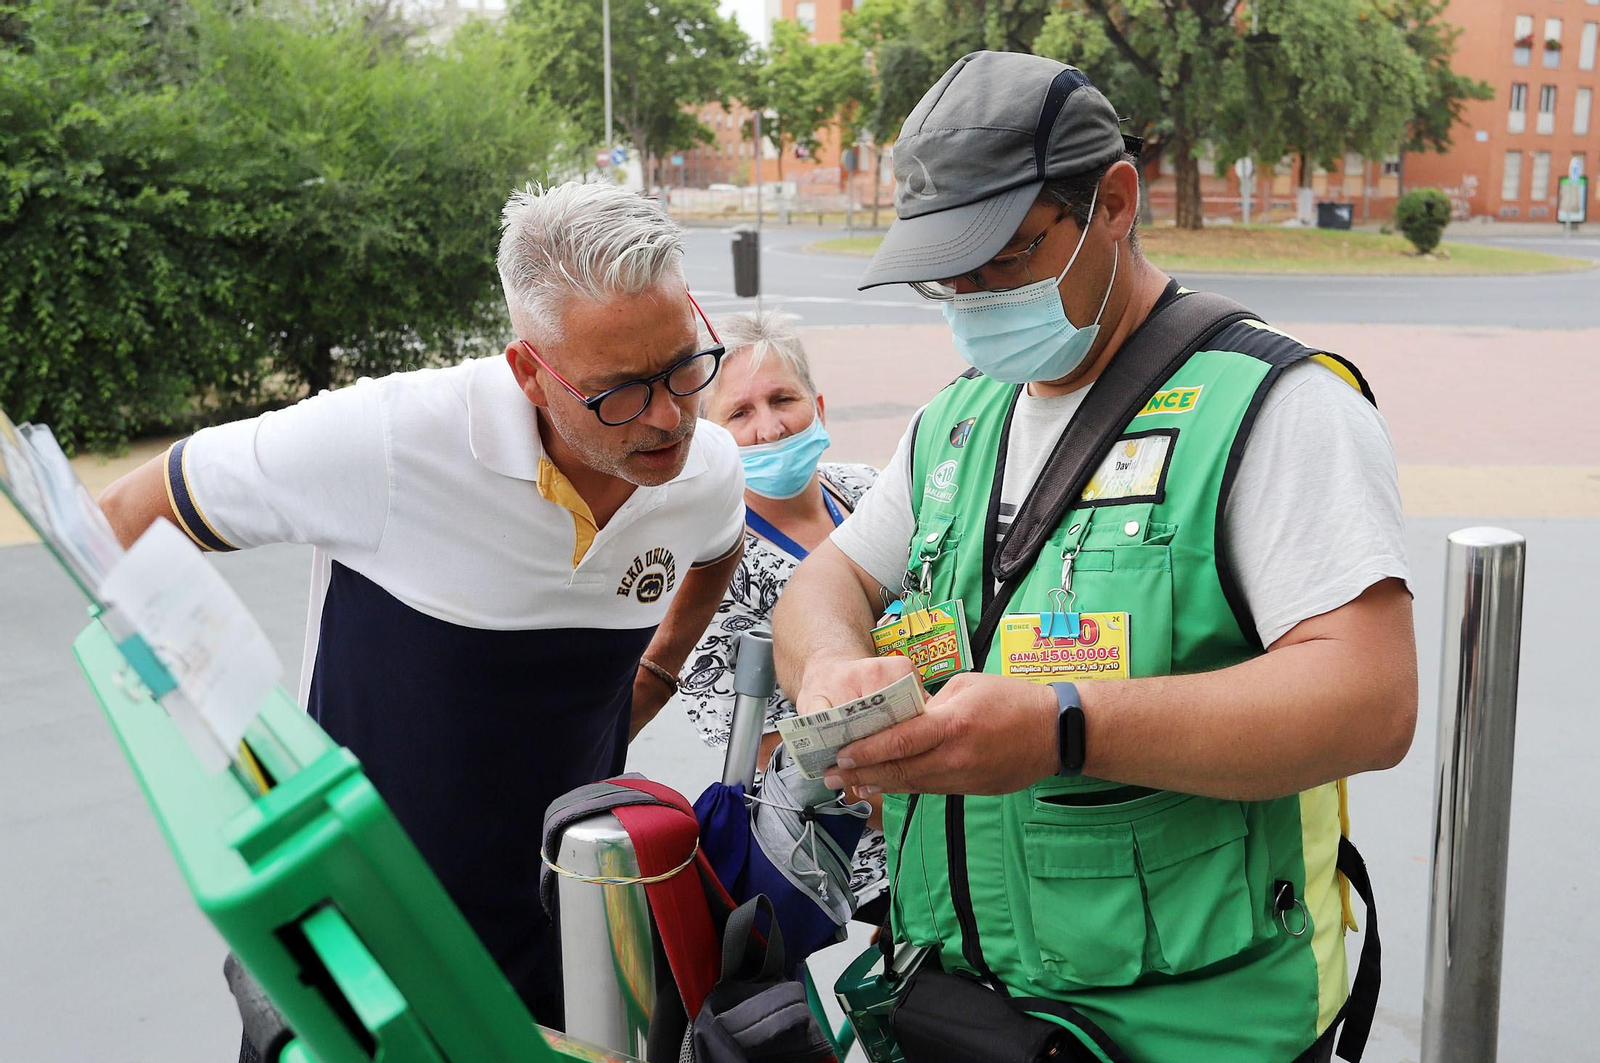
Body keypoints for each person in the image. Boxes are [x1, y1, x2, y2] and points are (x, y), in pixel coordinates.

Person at [771, 51, 1416, 1063]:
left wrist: (1064, 727)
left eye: (1007, 257)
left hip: (1190, 1032)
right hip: (962, 1016)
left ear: (1114, 202)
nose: (971, 296)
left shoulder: (1275, 408)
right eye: (946, 273)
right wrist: (826, 668)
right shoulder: (957, 421)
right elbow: (827, 579)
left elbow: (1369, 700)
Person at [98, 181, 747, 1036]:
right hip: (362, 929)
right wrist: (213, 726)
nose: (669, 416)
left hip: (566, 922)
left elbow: (716, 548)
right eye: (620, 391)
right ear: (529, 370)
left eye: (682, 366)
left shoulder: (704, 469)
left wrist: (656, 673)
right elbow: (120, 520)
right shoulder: (385, 440)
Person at [671, 310, 887, 913]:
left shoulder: (872, 493)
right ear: (705, 438)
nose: (769, 428)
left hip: (965, 776)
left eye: (782, 399)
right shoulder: (711, 568)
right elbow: (775, 753)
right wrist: (937, 808)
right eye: (738, 413)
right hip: (856, 842)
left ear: (818, 406)